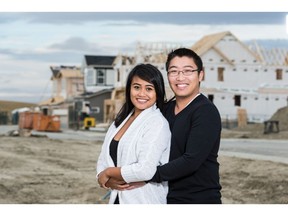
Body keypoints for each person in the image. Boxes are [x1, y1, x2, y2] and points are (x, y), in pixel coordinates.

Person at [107, 48, 222, 204]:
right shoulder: (163, 110)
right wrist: (111, 178)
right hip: (164, 197)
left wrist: (134, 174)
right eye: (173, 71)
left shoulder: (205, 112)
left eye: (187, 71)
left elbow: (190, 161)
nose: (180, 77)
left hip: (197, 199)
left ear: (200, 74)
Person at [96, 63, 171, 204]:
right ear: (129, 89)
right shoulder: (119, 121)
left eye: (149, 88)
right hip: (117, 199)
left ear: (158, 92)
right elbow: (103, 159)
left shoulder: (157, 123)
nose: (142, 94)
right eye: (137, 87)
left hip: (143, 200)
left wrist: (108, 173)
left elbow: (145, 170)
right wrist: (104, 177)